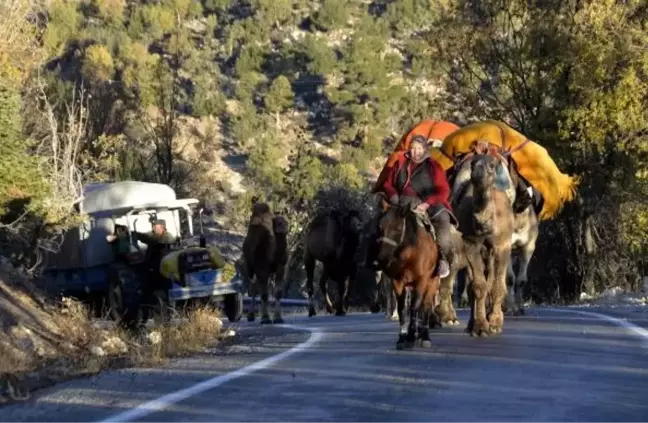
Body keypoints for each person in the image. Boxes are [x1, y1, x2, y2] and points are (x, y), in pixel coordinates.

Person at [369, 135, 454, 279]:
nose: (415, 152)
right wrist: (393, 194)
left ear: (425, 149)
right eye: (413, 148)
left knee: (442, 220)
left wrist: (426, 203)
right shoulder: (400, 163)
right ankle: (371, 255)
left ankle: (443, 259)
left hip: (427, 203)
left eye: (419, 148)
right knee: (378, 221)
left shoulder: (434, 167)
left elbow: (443, 191)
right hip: (401, 202)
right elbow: (388, 184)